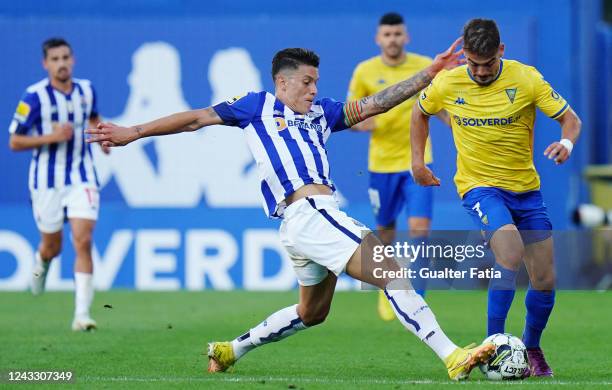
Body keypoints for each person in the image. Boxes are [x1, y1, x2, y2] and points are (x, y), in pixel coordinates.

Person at [86, 41, 495, 380]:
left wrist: (428, 74)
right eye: (306, 82)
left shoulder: (322, 114)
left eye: (316, 82)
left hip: (306, 222)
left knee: (312, 312)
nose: (313, 90)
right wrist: (133, 131)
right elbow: (195, 119)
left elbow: (374, 105)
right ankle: (452, 355)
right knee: (392, 273)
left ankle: (232, 350)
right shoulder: (255, 106)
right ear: (281, 82)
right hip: (309, 211)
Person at [411, 19, 582, 377]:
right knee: (509, 251)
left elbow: (571, 120)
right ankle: (493, 345)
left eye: (487, 63)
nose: (479, 71)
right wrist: (417, 161)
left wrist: (566, 143)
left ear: (501, 51)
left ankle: (531, 347)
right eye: (472, 63)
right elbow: (420, 112)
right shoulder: (449, 81)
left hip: (526, 190)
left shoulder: (526, 79)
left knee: (545, 279)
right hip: (478, 186)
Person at [348, 12, 450, 321]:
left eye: (397, 34)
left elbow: (439, 106)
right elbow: (351, 114)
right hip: (381, 166)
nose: (392, 39)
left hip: (417, 162)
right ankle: (387, 287)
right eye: (387, 35)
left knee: (420, 229)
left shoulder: (423, 66)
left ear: (406, 37)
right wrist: (363, 124)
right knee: (386, 233)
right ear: (378, 39)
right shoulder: (365, 71)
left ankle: (416, 298)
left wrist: (459, 126)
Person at [8, 37, 108, 331]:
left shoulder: (87, 90)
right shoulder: (34, 97)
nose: (61, 63)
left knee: (84, 239)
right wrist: (50, 137)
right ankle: (42, 262)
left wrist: (101, 136)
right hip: (46, 181)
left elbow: (92, 117)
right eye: (55, 59)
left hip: (82, 175)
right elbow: (14, 140)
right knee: (53, 246)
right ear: (45, 64)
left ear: (73, 59)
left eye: (66, 57)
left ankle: (81, 315)